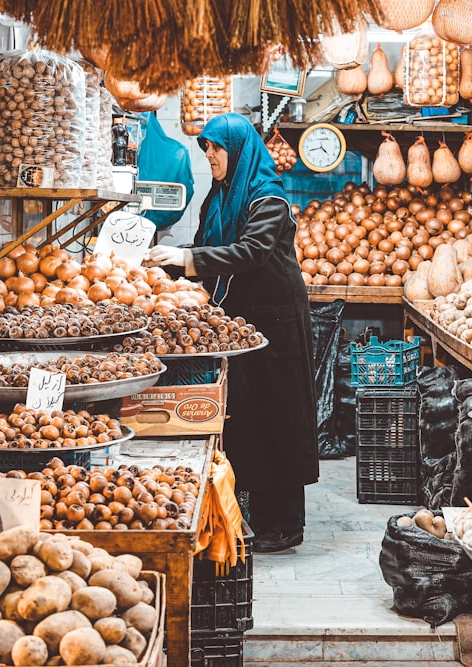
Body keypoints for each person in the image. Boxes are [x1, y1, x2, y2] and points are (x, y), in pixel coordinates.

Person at [145, 113, 319, 553]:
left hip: (276, 320)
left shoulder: (268, 199)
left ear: (239, 150)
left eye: (216, 148)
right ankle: (253, 514)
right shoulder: (218, 197)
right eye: (205, 149)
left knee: (278, 417)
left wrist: (186, 258)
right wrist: (163, 269)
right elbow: (208, 245)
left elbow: (252, 251)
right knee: (248, 416)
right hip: (240, 319)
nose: (209, 156)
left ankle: (285, 524)